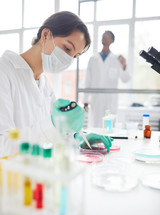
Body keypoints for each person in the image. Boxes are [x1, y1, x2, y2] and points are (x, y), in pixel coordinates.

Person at [0, 11, 112, 158]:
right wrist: (54, 124)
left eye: (74, 56)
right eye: (67, 48)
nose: (68, 59)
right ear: (45, 35)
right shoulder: (4, 71)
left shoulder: (44, 84)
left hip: (39, 172)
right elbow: (3, 145)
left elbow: (55, 135)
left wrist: (77, 137)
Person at [83, 30, 131, 128]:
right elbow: (88, 80)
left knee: (109, 126)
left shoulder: (117, 60)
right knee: (95, 124)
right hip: (96, 98)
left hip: (110, 99)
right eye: (103, 35)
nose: (104, 37)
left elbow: (125, 79)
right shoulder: (93, 59)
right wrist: (85, 100)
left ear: (112, 41)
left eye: (107, 36)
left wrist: (124, 65)